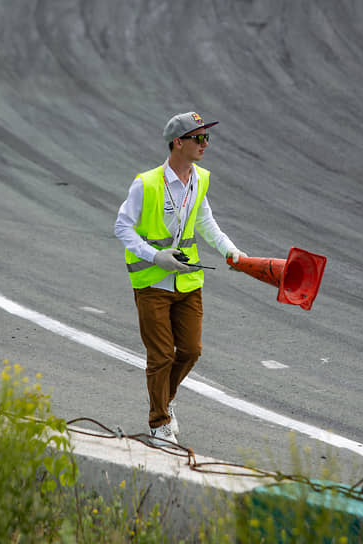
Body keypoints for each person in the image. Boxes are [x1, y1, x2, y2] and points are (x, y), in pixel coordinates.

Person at [114, 112, 247, 444]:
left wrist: (232, 251)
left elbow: (206, 223)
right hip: (152, 282)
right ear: (178, 142)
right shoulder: (146, 183)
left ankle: (166, 399)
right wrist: (155, 255)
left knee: (190, 351)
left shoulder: (199, 180)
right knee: (161, 356)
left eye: (206, 138)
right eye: (198, 138)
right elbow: (121, 227)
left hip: (187, 281)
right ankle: (159, 422)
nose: (205, 144)